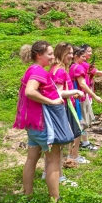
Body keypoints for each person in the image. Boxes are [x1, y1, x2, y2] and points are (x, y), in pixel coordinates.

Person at [14, 41, 62, 203]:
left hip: (33, 125)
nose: (52, 57)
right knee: (53, 160)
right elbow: (30, 91)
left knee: (31, 159)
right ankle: (55, 201)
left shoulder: (31, 69)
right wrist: (51, 101)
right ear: (38, 55)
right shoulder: (38, 71)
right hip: (43, 125)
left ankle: (28, 195)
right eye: (49, 54)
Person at [41, 42, 85, 185]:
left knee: (54, 146)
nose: (71, 56)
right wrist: (75, 91)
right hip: (60, 110)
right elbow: (59, 93)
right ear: (61, 53)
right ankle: (58, 177)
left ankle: (46, 173)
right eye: (69, 53)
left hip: (57, 109)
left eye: (72, 53)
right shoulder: (60, 71)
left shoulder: (54, 69)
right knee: (58, 147)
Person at [68, 46, 102, 159]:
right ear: (76, 56)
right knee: (79, 127)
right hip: (79, 101)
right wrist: (94, 96)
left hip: (78, 99)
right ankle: (73, 155)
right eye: (83, 57)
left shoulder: (73, 66)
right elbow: (83, 84)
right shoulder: (78, 68)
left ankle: (74, 152)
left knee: (80, 126)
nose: (85, 59)